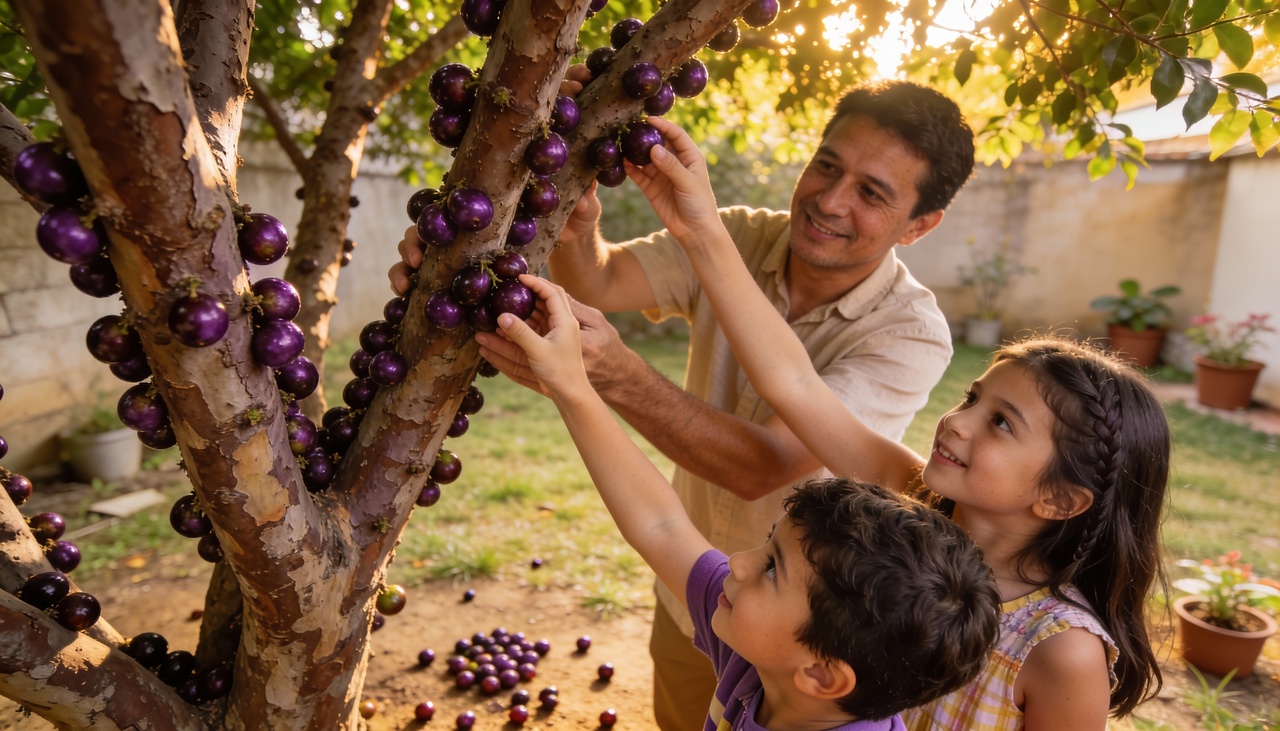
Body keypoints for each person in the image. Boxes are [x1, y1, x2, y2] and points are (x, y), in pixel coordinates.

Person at [390, 79, 976, 726]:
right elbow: (602, 278)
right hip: (695, 594)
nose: (830, 200)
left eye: (871, 193)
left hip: (811, 618)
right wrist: (576, 228)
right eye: (827, 166)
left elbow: (760, 466)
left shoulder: (909, 333)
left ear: (920, 224)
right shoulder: (743, 237)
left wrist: (608, 374)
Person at [622, 116, 1168, 729]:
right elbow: (795, 384)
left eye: (1002, 424)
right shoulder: (913, 500)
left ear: (1061, 498)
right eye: (971, 399)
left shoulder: (1060, 649)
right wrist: (702, 230)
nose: (956, 424)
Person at [492, 274, 1001, 730]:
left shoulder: (757, 644)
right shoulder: (759, 657)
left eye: (773, 570)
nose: (737, 562)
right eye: (767, 548)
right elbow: (662, 525)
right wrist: (571, 386)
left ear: (822, 674)